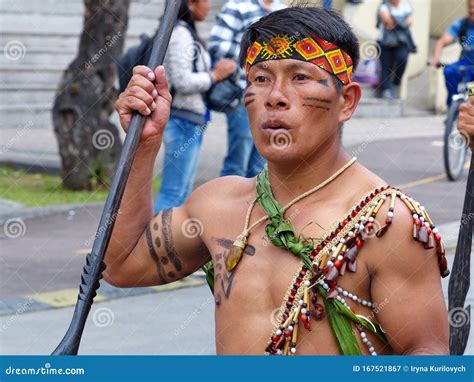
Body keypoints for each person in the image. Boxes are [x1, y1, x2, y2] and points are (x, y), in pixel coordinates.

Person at [110, 7, 453, 355]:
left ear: (346, 101)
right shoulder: (217, 205)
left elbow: (427, 359)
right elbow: (121, 267)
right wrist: (143, 147)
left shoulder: (386, 223)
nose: (275, 96)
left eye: (300, 77)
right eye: (260, 79)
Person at [148, 0, 235, 213]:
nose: (209, 5)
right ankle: (153, 244)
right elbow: (181, 81)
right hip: (182, 120)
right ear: (191, 4)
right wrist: (215, 75)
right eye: (206, 0)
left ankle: (168, 244)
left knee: (182, 192)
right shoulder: (180, 34)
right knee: (174, 193)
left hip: (191, 120)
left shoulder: (185, 31)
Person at [207, 0, 286, 178]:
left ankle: (254, 205)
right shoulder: (237, 6)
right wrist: (260, 55)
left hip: (274, 97)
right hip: (244, 94)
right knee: (237, 164)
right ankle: (226, 205)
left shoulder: (282, 11)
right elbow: (217, 44)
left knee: (262, 165)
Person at [431, 0, 474, 108]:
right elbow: (441, 42)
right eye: (470, 7)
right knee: (450, 71)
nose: (472, 10)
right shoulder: (462, 25)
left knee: (472, 92)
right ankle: (453, 105)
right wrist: (436, 58)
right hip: (466, 63)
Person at [377, 0, 414, 99]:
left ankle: (395, 83)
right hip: (384, 43)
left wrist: (394, 21)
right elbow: (387, 21)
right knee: (386, 66)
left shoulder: (405, 5)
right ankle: (386, 90)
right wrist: (402, 22)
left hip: (401, 42)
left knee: (403, 59)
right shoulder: (384, 6)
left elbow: (409, 22)